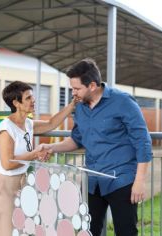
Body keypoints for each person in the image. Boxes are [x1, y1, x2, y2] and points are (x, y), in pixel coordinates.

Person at [41, 58, 152, 236]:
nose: (73, 93)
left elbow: (143, 142)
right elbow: (77, 140)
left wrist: (139, 181)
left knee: (126, 232)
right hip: (92, 181)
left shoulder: (123, 102)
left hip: (121, 180)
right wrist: (51, 148)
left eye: (77, 88)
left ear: (92, 85)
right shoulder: (80, 107)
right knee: (89, 231)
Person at [0, 81, 76, 236]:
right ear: (16, 103)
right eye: (28, 98)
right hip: (4, 185)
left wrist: (72, 105)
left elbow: (51, 123)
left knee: (21, 229)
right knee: (3, 230)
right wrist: (35, 154)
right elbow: (7, 163)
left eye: (32, 97)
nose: (33, 100)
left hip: (21, 182)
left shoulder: (28, 123)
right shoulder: (7, 129)